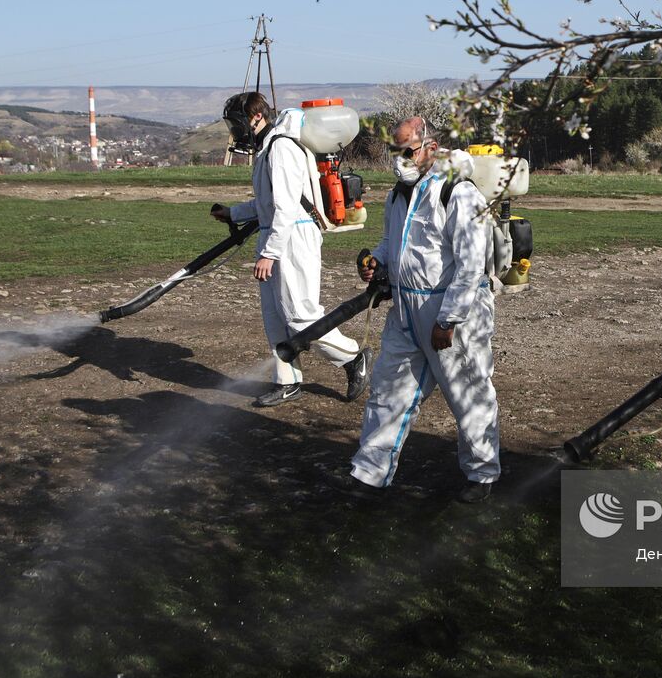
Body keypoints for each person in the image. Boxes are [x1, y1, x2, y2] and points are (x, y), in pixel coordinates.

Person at [347, 116, 501, 503]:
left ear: (430, 147)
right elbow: (391, 241)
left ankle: (481, 475)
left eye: (407, 151)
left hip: (450, 309)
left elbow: (471, 264)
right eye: (394, 152)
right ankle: (369, 471)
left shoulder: (457, 193)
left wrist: (448, 320)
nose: (400, 159)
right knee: (388, 390)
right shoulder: (398, 194)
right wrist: (377, 262)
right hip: (405, 307)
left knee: (468, 391)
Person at [213, 91, 370, 407]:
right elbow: (266, 203)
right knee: (275, 318)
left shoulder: (282, 148)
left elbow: (285, 207)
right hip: (279, 234)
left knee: (300, 316)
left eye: (239, 122)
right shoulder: (268, 148)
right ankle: (288, 381)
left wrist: (269, 254)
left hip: (294, 238)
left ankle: (354, 357)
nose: (237, 130)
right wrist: (233, 213)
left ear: (257, 117)